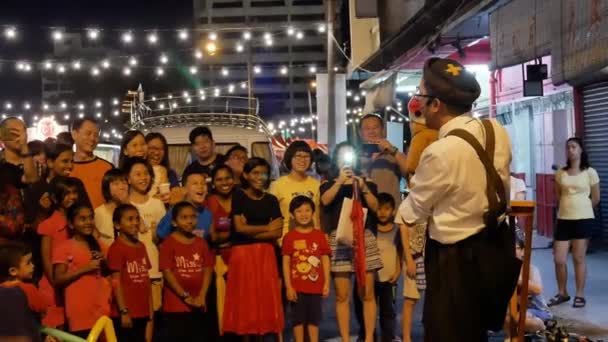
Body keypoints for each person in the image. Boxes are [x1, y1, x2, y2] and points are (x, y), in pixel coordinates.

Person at [397, 57, 515, 341]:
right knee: (477, 333)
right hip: (494, 247)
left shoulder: (440, 152)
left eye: (422, 95)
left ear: (436, 104)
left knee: (447, 332)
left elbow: (411, 212)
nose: (419, 104)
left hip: (453, 262)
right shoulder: (494, 131)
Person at [320, 141, 382, 342]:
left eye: (348, 155)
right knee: (341, 295)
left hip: (364, 239)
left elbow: (376, 207)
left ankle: (370, 337)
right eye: (341, 156)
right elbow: (325, 201)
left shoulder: (366, 182)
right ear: (335, 159)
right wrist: (339, 182)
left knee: (368, 293)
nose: (345, 160)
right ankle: (345, 338)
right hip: (338, 239)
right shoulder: (328, 184)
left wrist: (363, 187)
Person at [223, 157, 284, 338]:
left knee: (264, 301)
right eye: (255, 173)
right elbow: (239, 228)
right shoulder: (239, 195)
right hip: (242, 255)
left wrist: (251, 230)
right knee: (245, 302)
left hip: (265, 255)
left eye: (264, 173)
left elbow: (278, 231)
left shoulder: (272, 200)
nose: (260, 177)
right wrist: (266, 227)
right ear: (246, 175)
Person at [399, 96, 438, 342]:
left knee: (419, 298)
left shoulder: (420, 137)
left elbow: (410, 165)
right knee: (420, 297)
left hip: (424, 245)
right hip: (422, 246)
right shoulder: (442, 135)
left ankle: (413, 336)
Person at [549, 137, 600, 309]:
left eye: (573, 147)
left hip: (583, 220)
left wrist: (582, 209)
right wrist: (568, 208)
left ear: (580, 150)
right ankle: (562, 292)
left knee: (578, 258)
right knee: (559, 259)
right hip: (564, 219)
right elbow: (558, 196)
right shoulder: (561, 173)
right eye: (568, 147)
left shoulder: (590, 172)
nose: (570, 150)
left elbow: (596, 197)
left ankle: (580, 294)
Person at [52, 202, 112, 337]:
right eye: (82, 219)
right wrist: (84, 269)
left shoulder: (99, 245)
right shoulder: (64, 248)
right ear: (71, 224)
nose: (88, 222)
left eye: (91, 218)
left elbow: (110, 271)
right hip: (80, 311)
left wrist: (103, 261)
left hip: (101, 309)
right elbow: (58, 280)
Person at [159, 201, 214, 341]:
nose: (189, 221)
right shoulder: (168, 243)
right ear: (174, 222)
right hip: (176, 305)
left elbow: (207, 269)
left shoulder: (201, 243)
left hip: (199, 304)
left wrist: (202, 295)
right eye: (184, 217)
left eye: (193, 217)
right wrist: (185, 296)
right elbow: (167, 272)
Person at [282, 196, 331, 342]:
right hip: (297, 288)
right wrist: (288, 286)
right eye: (299, 211)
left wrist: (327, 283)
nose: (304, 214)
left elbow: (325, 259)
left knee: (314, 319)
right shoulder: (289, 237)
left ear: (313, 212)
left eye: (307, 210)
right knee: (298, 320)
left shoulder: (320, 236)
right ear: (292, 214)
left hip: (316, 287)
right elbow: (285, 263)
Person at [37, 176, 83, 329]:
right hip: (53, 289)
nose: (72, 197)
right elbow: (46, 261)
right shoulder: (49, 225)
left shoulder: (79, 223)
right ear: (56, 198)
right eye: (67, 193)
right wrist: (58, 284)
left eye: (74, 192)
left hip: (74, 286)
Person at [124, 157, 166, 313]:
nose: (143, 178)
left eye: (146, 173)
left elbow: (162, 238)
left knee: (154, 314)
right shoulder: (124, 205)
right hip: (131, 273)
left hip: (154, 269)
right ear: (127, 178)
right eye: (138, 174)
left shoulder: (157, 204)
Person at [108, 204, 153, 342]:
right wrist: (124, 311)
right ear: (117, 224)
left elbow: (146, 281)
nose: (135, 222)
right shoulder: (116, 248)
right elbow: (116, 282)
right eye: (130, 219)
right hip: (126, 313)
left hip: (142, 312)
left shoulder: (141, 246)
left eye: (137, 219)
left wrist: (150, 313)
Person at [270, 141, 321, 244]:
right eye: (298, 156)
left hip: (311, 244)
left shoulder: (316, 185)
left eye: (306, 156)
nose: (302, 160)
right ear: (290, 158)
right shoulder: (277, 186)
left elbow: (317, 217)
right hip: (286, 244)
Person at [0, 243, 46, 342]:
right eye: (28, 263)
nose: (33, 266)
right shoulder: (28, 289)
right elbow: (42, 309)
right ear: (13, 271)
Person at [359, 114, 407, 206]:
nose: (371, 131)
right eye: (367, 128)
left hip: (390, 213)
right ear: (360, 133)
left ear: (383, 131)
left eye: (375, 127)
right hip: (363, 214)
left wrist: (392, 150)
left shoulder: (393, 154)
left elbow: (410, 171)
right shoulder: (354, 156)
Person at [372, 193, 402, 342]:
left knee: (388, 311)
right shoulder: (370, 230)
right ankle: (368, 335)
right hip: (372, 278)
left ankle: (388, 337)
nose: (382, 212)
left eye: (386, 208)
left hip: (390, 279)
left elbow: (399, 253)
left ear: (393, 210)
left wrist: (398, 271)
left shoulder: (397, 230)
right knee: (367, 309)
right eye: (379, 208)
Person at [512, 233, 553, 333]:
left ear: (522, 251)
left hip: (538, 311)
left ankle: (544, 330)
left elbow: (537, 289)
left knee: (518, 318)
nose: (512, 251)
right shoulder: (502, 270)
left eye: (516, 248)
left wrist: (517, 280)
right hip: (517, 310)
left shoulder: (530, 269)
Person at [70, 117, 113, 208]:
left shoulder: (107, 168)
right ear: (74, 134)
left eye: (96, 135)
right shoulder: (65, 167)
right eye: (88, 133)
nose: (92, 139)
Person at [157, 172, 212, 240]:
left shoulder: (208, 215)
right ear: (184, 189)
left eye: (203, 183)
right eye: (195, 183)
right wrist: (174, 209)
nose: (200, 187)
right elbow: (161, 234)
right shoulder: (175, 211)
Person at [95, 169, 130, 245]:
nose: (122, 187)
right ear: (107, 188)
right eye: (116, 184)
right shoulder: (98, 213)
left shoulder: (133, 210)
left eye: (124, 183)